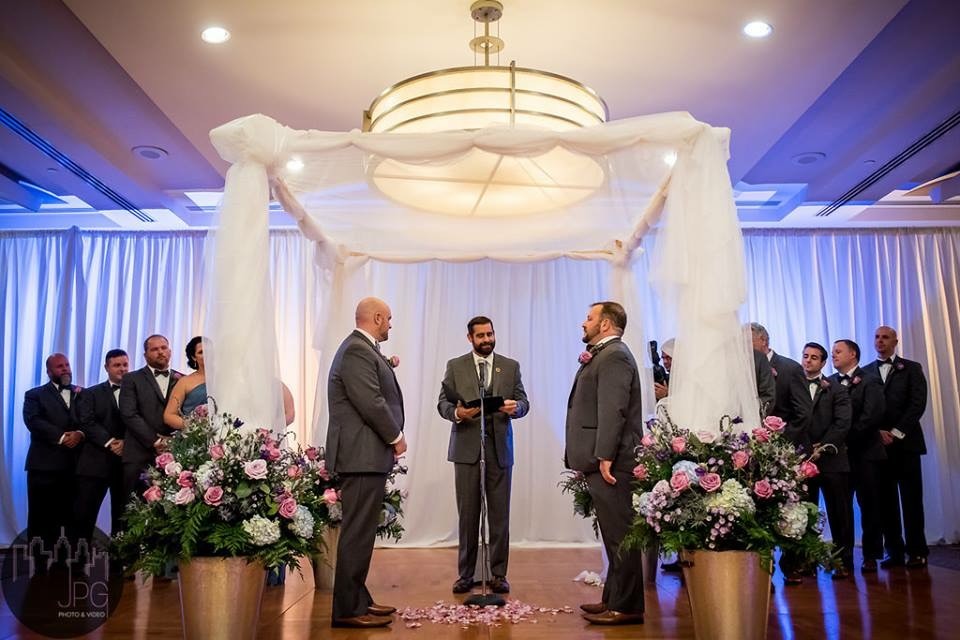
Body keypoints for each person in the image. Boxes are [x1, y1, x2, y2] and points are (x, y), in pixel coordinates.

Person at [326, 297, 407, 628]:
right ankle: (347, 609)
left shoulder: (362, 348)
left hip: (365, 455)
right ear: (376, 317)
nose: (390, 324)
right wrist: (396, 436)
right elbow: (371, 402)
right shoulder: (358, 349)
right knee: (357, 532)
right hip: (361, 455)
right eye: (388, 318)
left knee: (361, 531)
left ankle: (359, 598)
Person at [565, 301, 644, 625]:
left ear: (606, 325)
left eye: (589, 318)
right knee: (612, 533)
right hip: (603, 458)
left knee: (619, 533)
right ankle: (613, 597)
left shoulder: (614, 356)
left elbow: (614, 411)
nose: (584, 323)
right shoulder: (606, 354)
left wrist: (605, 456)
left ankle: (626, 607)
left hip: (613, 460)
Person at [437, 316, 529, 595]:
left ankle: (498, 574)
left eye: (490, 334)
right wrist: (457, 413)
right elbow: (442, 403)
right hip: (466, 451)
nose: (487, 339)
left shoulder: (510, 367)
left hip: (500, 451)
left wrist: (517, 408)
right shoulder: (455, 366)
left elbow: (524, 402)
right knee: (468, 515)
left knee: (500, 515)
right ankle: (466, 575)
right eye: (481, 336)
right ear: (470, 338)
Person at [783, 342, 852, 581]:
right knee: (804, 513)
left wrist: (822, 446)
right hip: (802, 458)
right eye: (805, 356)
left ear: (823, 363)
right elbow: (790, 418)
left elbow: (842, 422)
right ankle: (805, 561)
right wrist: (802, 446)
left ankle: (842, 561)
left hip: (831, 459)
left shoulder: (836, 388)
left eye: (814, 357)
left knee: (839, 513)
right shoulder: (792, 386)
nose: (808, 360)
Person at [862, 326, 929, 569]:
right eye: (877, 336)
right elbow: (864, 409)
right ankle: (895, 552)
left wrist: (896, 432)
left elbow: (917, 404)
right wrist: (876, 433)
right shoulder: (866, 372)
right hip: (878, 447)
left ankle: (917, 551)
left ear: (896, 341)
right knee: (886, 502)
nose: (880, 341)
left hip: (906, 444)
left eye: (885, 337)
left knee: (912, 501)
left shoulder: (911, 368)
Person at [828, 339, 886, 573]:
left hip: (865, 452)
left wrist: (845, 438)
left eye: (838, 351)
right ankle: (843, 556)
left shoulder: (870, 380)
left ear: (853, 354)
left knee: (869, 504)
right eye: (832, 352)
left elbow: (872, 415)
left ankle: (871, 555)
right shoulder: (829, 382)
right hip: (840, 457)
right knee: (841, 508)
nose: (834, 355)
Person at [23, 353, 83, 549]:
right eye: (59, 366)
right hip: (43, 467)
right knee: (41, 515)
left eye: (67, 365)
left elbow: (89, 420)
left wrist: (80, 433)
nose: (65, 368)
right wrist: (63, 437)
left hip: (75, 467)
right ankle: (39, 561)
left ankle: (65, 558)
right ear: (49, 372)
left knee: (70, 515)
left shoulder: (82, 393)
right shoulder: (34, 394)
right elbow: (34, 421)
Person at [75, 349, 129, 541]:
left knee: (123, 517)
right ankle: (78, 565)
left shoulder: (136, 392)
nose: (122, 369)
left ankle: (121, 565)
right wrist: (111, 442)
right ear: (106, 367)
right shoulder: (91, 393)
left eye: (125, 364)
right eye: (117, 365)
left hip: (126, 463)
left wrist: (126, 443)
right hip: (95, 463)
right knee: (85, 516)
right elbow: (87, 421)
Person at [119, 335, 180, 500]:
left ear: (170, 351)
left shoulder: (181, 379)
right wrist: (157, 441)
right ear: (145, 355)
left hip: (174, 455)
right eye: (155, 349)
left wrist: (172, 441)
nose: (161, 352)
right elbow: (129, 414)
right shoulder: (131, 379)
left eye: (164, 348)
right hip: (139, 454)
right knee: (133, 508)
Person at [751, 322, 803, 421]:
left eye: (749, 341)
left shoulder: (791, 368)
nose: (745, 347)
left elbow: (802, 411)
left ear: (763, 340)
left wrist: (783, 434)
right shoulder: (745, 369)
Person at [163, 336, 207, 430]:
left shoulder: (224, 378)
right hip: (196, 438)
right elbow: (169, 416)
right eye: (201, 352)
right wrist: (194, 427)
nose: (207, 354)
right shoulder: (184, 382)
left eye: (209, 350)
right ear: (193, 357)